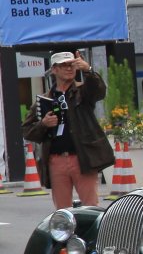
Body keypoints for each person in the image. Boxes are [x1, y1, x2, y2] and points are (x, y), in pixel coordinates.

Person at [21, 51, 114, 209]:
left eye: (71, 64)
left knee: (90, 206)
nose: (69, 68)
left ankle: (90, 227)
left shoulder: (82, 92)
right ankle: (66, 227)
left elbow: (99, 91)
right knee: (62, 209)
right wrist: (43, 124)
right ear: (54, 69)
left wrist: (88, 70)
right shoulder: (45, 100)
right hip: (56, 160)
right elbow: (27, 130)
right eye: (64, 65)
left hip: (82, 157)